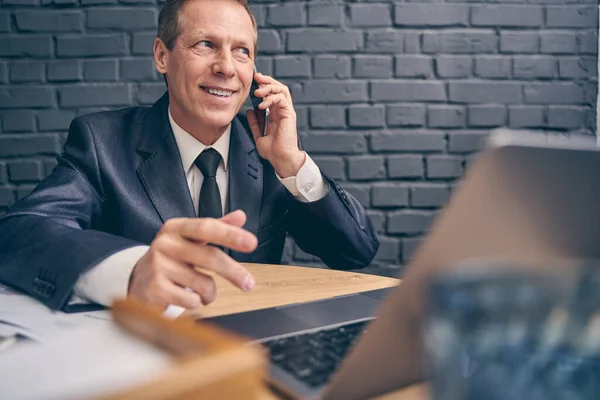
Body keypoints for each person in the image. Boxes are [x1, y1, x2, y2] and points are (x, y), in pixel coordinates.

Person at [0, 0, 379, 312]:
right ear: (162, 55)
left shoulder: (271, 153)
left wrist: (292, 163)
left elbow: (355, 252)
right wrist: (131, 270)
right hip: (146, 350)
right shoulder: (101, 141)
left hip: (251, 353)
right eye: (206, 45)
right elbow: (20, 232)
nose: (226, 67)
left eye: (242, 52)